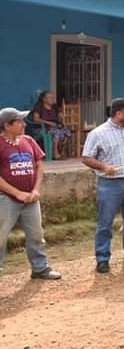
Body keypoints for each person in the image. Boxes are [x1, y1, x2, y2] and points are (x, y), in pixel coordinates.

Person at [82, 98, 124, 274]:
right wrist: (103, 166)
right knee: (105, 222)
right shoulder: (98, 133)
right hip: (109, 184)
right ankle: (102, 258)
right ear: (118, 113)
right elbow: (86, 158)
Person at [0, 108, 61, 280]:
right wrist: (17, 193)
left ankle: (40, 268)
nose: (24, 124)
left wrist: (35, 189)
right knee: (0, 237)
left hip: (30, 198)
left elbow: (39, 165)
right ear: (7, 125)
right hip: (5, 199)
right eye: (19, 121)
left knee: (36, 234)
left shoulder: (28, 140)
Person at [31, 91, 71, 160]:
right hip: (42, 128)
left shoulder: (55, 106)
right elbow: (36, 119)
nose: (52, 99)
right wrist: (48, 123)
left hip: (55, 127)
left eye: (52, 98)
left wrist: (64, 126)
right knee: (57, 133)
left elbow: (61, 117)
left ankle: (60, 152)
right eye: (50, 98)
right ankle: (55, 154)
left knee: (67, 133)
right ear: (44, 99)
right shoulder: (39, 107)